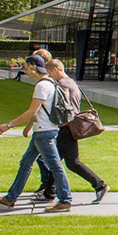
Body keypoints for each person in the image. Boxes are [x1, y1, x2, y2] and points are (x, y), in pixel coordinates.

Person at [0, 55, 73, 213]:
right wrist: (28, 129)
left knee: (56, 167)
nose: (25, 70)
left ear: (34, 67)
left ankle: (65, 200)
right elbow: (38, 112)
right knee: (25, 163)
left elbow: (32, 111)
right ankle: (10, 198)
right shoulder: (50, 83)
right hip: (42, 131)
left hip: (44, 133)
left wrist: (8, 125)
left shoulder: (42, 86)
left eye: (26, 67)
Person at [33, 59, 109, 205]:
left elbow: (63, 108)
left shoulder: (62, 85)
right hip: (69, 128)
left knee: (68, 162)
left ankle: (100, 185)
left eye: (49, 73)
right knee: (58, 162)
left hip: (66, 128)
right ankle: (49, 192)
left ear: (56, 69)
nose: (48, 76)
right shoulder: (71, 82)